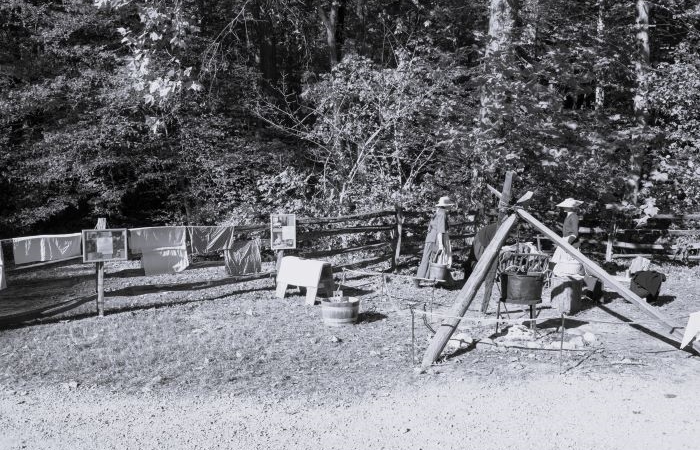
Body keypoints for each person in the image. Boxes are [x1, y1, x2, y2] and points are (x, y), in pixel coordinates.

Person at [415, 196, 455, 286]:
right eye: (449, 205)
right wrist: (441, 244)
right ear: (446, 206)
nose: (451, 207)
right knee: (439, 258)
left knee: (426, 258)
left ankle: (420, 279)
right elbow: (440, 231)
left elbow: (431, 227)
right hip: (436, 239)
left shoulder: (436, 213)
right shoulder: (442, 213)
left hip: (429, 238)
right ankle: (442, 280)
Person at [462, 209, 499, 280]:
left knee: (474, 258)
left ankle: (471, 276)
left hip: (481, 237)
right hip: (480, 239)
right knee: (476, 258)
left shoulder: (497, 225)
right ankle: (470, 277)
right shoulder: (498, 226)